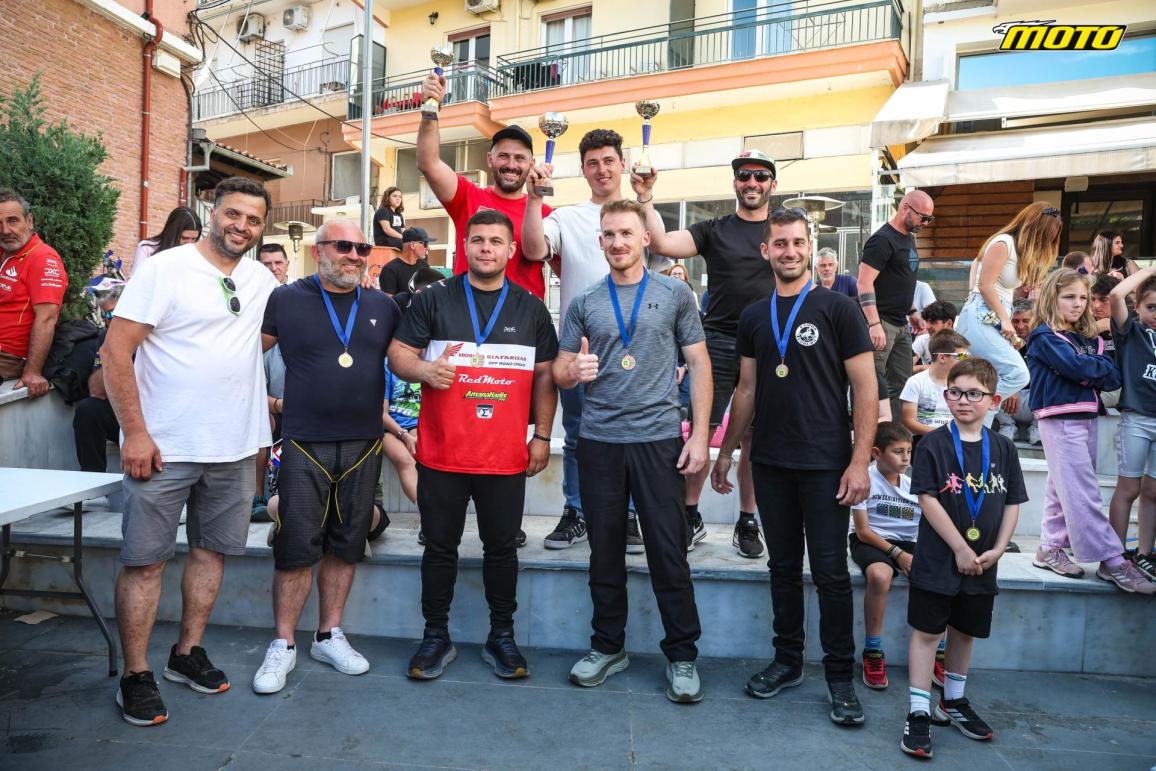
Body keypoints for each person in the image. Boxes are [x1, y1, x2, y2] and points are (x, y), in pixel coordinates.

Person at [101, 176, 279, 726]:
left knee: (211, 553)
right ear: (212, 211)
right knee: (144, 562)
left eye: (253, 219)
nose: (241, 226)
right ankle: (135, 675)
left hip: (233, 447)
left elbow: (259, 338)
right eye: (232, 214)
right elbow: (115, 351)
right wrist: (135, 433)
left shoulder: (260, 280)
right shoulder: (166, 269)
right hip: (163, 446)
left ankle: (185, 653)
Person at [710, 207, 877, 726]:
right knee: (782, 568)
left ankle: (840, 677)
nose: (789, 251)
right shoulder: (755, 316)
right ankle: (787, 661)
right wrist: (726, 451)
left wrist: (859, 461)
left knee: (829, 573)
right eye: (779, 243)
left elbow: (866, 388)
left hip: (826, 465)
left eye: (797, 242)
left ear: (810, 246)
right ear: (766, 251)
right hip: (771, 462)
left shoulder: (838, 309)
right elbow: (746, 390)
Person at [387, 209, 558, 681]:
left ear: (510, 250)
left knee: (501, 550)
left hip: (503, 457)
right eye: (478, 240)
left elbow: (545, 377)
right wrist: (424, 370)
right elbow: (398, 354)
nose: (486, 248)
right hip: (442, 454)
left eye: (495, 241)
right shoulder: (434, 298)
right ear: (465, 246)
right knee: (439, 548)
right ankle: (434, 636)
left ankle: (501, 636)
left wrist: (542, 436)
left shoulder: (530, 307)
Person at [553, 198, 710, 702]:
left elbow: (700, 364)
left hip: (658, 440)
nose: (617, 242)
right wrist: (572, 371)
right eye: (609, 235)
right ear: (599, 241)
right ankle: (607, 647)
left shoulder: (675, 293)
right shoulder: (584, 301)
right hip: (600, 441)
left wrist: (699, 436)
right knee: (604, 553)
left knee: (668, 551)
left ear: (645, 238)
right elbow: (559, 369)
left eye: (626, 233)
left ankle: (682, 655)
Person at [252, 219, 401, 694]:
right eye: (343, 246)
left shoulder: (382, 305)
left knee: (347, 543)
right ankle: (283, 643)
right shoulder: (286, 299)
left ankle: (328, 635)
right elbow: (242, 352)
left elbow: (407, 357)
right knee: (296, 544)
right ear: (318, 251)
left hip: (363, 442)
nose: (354, 255)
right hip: (304, 441)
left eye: (362, 247)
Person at [633, 149, 781, 559]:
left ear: (772, 183)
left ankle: (747, 520)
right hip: (717, 340)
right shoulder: (714, 229)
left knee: (755, 438)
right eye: (745, 175)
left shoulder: (781, 230)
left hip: (770, 343)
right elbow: (661, 242)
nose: (752, 183)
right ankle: (689, 515)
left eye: (761, 176)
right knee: (702, 427)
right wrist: (646, 196)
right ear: (735, 182)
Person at [522, 128, 645, 552]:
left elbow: (664, 263)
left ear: (622, 164)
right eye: (593, 163)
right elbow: (533, 249)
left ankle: (629, 515)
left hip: (634, 349)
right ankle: (576, 511)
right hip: (580, 347)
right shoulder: (567, 217)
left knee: (632, 435)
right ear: (583, 169)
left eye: (609, 160)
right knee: (577, 435)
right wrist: (534, 198)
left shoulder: (641, 215)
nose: (602, 169)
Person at [900, 358, 1028, 759]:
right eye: (955, 392)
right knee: (927, 632)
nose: (963, 400)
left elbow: (1012, 502)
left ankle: (952, 701)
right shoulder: (933, 444)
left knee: (964, 630)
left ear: (993, 401)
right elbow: (927, 499)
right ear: (946, 396)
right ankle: (919, 711)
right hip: (939, 559)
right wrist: (959, 547)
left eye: (974, 393)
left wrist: (999, 549)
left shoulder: (1003, 447)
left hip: (983, 561)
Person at [1025, 269, 1153, 593]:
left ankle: (1050, 548)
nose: (1078, 303)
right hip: (1058, 418)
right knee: (1083, 492)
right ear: (1052, 298)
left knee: (1062, 488)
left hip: (1088, 416)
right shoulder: (1044, 336)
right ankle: (1112, 560)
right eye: (1069, 297)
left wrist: (1085, 371)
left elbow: (1113, 376)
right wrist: (1088, 370)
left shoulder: (1088, 338)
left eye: (1083, 297)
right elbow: (1078, 366)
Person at [418, 73, 550, 298]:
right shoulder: (467, 196)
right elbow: (428, 163)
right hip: (466, 311)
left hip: (522, 315)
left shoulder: (545, 213)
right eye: (503, 156)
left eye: (519, 158)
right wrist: (430, 108)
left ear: (532, 164)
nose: (511, 165)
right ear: (490, 159)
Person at [955, 203, 1060, 414]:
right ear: (1034, 228)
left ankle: (976, 419)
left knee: (987, 378)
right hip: (982, 313)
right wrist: (1004, 319)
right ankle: (968, 410)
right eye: (1045, 235)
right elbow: (985, 285)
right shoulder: (1004, 243)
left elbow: (982, 270)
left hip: (991, 312)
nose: (1046, 241)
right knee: (1018, 374)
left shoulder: (1018, 251)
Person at [848, 421, 920, 690]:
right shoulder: (865, 480)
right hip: (871, 540)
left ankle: (938, 650)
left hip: (909, 542)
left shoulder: (914, 485)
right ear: (877, 453)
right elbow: (863, 531)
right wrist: (898, 554)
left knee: (938, 574)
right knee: (880, 575)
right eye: (898, 452)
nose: (906, 458)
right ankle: (873, 650)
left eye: (909, 451)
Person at [858, 191, 935, 418]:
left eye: (929, 219)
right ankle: (870, 432)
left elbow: (901, 279)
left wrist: (913, 311)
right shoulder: (882, 240)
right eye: (923, 217)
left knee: (902, 383)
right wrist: (874, 324)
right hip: (881, 322)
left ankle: (895, 434)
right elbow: (863, 283)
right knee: (873, 383)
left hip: (901, 323)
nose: (925, 223)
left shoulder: (908, 237)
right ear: (905, 208)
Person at [1107, 267, 1156, 582]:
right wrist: (1151, 269)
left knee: (1154, 491)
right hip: (1137, 419)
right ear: (1137, 307)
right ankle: (1115, 554)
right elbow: (1115, 294)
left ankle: (1145, 554)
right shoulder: (1131, 332)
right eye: (1151, 307)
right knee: (1129, 488)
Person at [0, 189, 68, 397]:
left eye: (12, 221)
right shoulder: (5, 251)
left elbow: (47, 318)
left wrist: (32, 372)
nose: (5, 230)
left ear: (29, 221)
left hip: (8, 356)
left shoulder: (43, 259)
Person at [72, 284, 124, 473]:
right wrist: (113, 347)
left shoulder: (149, 335)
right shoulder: (106, 338)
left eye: (113, 313)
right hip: (122, 413)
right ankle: (92, 479)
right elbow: (97, 391)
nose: (108, 320)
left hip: (156, 415)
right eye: (105, 315)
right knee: (88, 410)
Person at [901, 330, 971, 437]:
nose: (965, 361)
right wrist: (941, 434)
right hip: (923, 439)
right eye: (961, 356)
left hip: (953, 438)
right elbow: (908, 421)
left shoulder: (963, 383)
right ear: (942, 358)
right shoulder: (916, 382)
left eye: (966, 356)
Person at [994, 299, 1040, 445]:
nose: (1020, 326)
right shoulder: (998, 341)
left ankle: (1037, 427)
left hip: (1036, 398)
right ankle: (1007, 426)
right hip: (1006, 400)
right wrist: (1010, 388)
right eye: (1015, 321)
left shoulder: (1043, 340)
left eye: (1025, 321)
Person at [131, 206, 202, 274]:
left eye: (194, 239)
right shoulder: (147, 249)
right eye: (184, 238)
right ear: (172, 232)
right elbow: (136, 279)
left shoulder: (195, 255)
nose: (189, 243)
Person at [379, 227, 434, 296]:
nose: (428, 248)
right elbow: (388, 301)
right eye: (425, 244)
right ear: (412, 245)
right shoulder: (390, 270)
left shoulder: (424, 266)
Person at [911, 300, 957, 372]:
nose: (927, 326)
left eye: (933, 322)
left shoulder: (961, 343)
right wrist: (922, 367)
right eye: (927, 321)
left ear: (949, 323)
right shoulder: (923, 340)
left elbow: (965, 365)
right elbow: (906, 367)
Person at [373, 186, 405, 252]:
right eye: (394, 196)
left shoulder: (399, 215)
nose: (398, 199)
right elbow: (387, 230)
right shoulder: (383, 211)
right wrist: (403, 237)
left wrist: (409, 238)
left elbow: (403, 231)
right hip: (385, 242)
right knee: (407, 245)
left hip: (397, 241)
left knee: (413, 244)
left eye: (400, 197)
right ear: (387, 198)